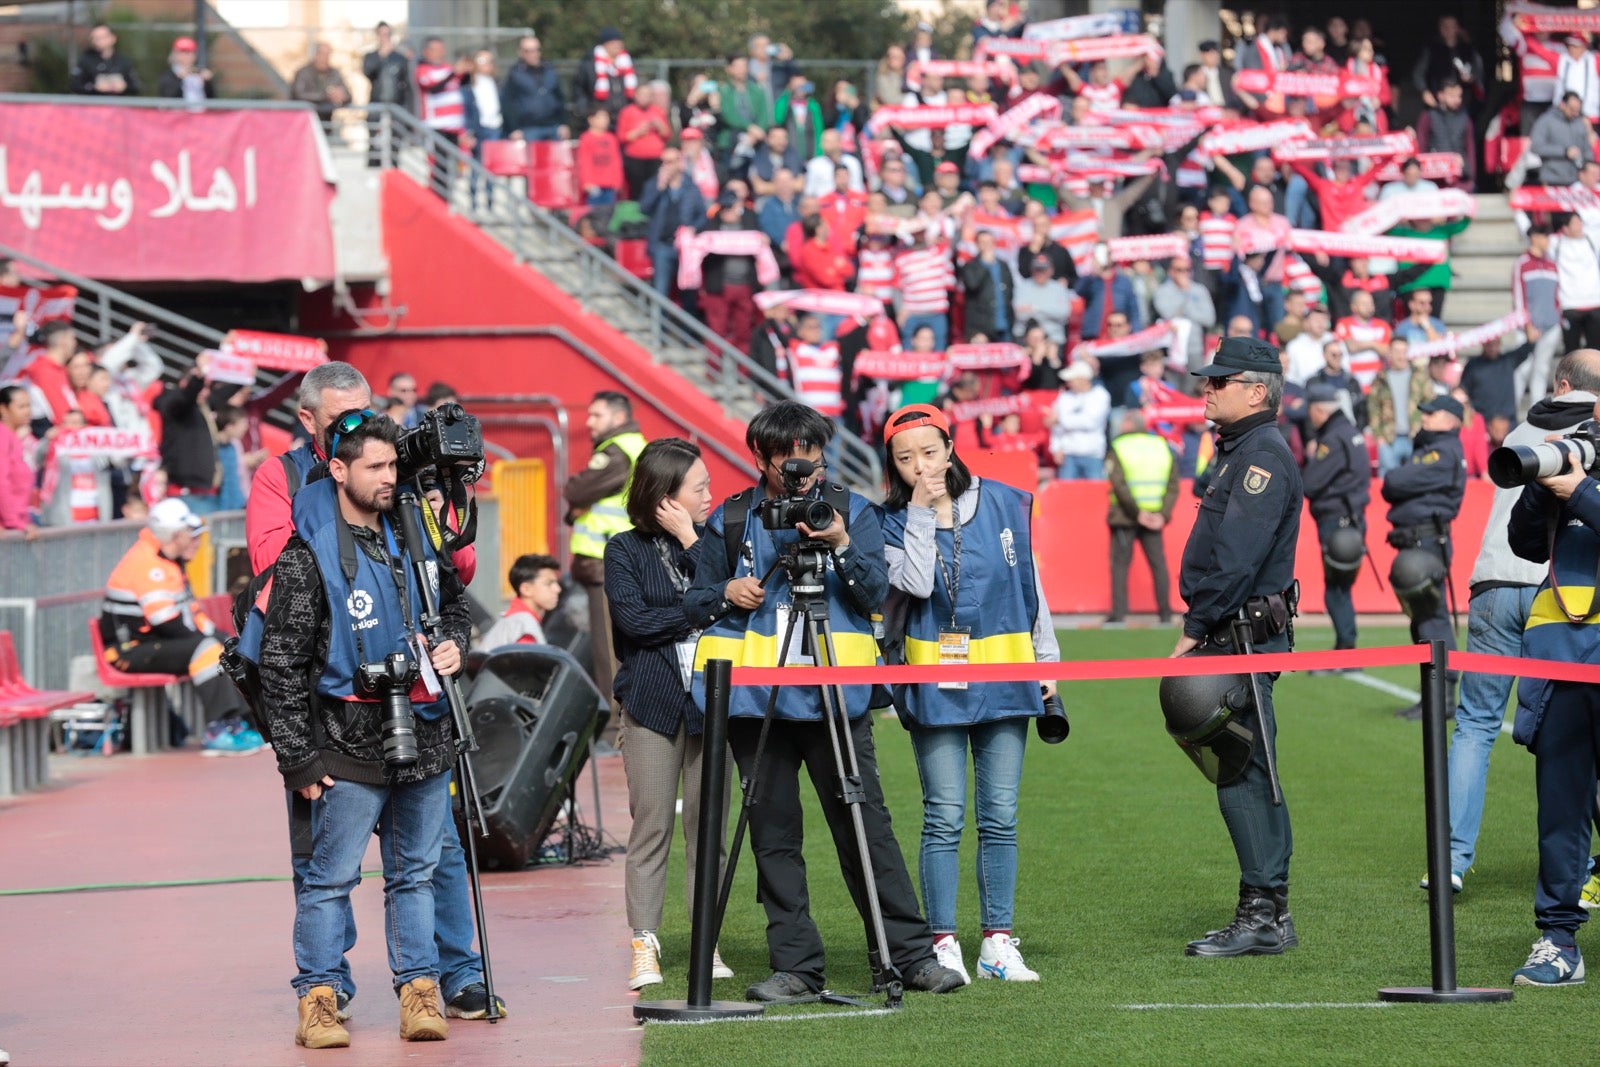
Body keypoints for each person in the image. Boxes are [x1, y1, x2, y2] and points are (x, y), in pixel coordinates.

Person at [684, 401, 964, 1002]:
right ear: (760, 459)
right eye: (789, 460)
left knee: (866, 826)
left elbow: (874, 594)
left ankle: (907, 956)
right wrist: (727, 591)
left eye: (811, 457)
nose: (802, 472)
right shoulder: (733, 518)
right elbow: (696, 599)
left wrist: (838, 542)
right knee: (773, 835)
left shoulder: (851, 510)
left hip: (836, 696)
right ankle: (797, 968)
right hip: (755, 699)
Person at [242, 364, 495, 1023]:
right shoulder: (288, 493)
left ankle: (435, 984)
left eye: (391, 459)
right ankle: (324, 992)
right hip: (341, 727)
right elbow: (280, 626)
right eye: (366, 454)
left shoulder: (409, 516)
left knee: (422, 866)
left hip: (424, 722)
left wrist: (444, 492)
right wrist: (299, 755)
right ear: (321, 441)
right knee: (328, 875)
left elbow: (455, 586)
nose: (388, 473)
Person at [880, 403, 1059, 985]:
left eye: (929, 453)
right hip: (936, 685)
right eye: (905, 459)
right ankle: (942, 942)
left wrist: (1047, 661)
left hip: (1007, 676)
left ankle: (998, 943)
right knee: (944, 816)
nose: (920, 466)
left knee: (1001, 815)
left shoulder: (1007, 503)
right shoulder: (891, 521)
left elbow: (1031, 586)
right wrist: (921, 512)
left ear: (951, 448)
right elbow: (917, 582)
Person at [1446, 350, 1600, 897]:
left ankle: (1451, 858)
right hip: (1556, 591)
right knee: (1577, 729)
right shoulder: (1592, 430)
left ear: (1559, 383)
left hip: (1492, 581)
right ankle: (1583, 864)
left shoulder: (1524, 426)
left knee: (1476, 724)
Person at [1173, 335, 1303, 958]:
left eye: (1220, 381)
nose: (1208, 387)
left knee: (1245, 773)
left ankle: (1263, 915)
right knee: (1245, 770)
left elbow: (1235, 560)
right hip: (1235, 634)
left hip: (1240, 637)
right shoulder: (1240, 449)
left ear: (1256, 391)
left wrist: (1194, 629)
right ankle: (1266, 911)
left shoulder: (1261, 458)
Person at [602, 438, 734, 990]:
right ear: (665, 496)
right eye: (698, 487)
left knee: (710, 831)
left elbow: (733, 606)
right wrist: (703, 609)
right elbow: (635, 625)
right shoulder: (622, 550)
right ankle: (644, 943)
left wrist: (691, 541)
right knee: (651, 825)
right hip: (652, 704)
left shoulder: (715, 541)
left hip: (717, 704)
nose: (709, 495)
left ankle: (709, 940)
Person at [1505, 384, 1600, 986]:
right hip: (1566, 654)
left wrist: (1584, 492)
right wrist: (1548, 488)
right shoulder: (1580, 451)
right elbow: (1521, 542)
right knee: (1562, 808)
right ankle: (1557, 938)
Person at [102, 499, 257, 752]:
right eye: (191, 535)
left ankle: (243, 722)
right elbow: (168, 623)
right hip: (127, 650)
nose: (197, 541)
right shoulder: (148, 565)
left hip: (151, 643)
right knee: (206, 650)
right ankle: (220, 728)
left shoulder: (169, 562)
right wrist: (211, 641)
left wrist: (224, 639)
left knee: (223, 647)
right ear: (175, 536)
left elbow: (190, 615)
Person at [565, 391, 647, 742]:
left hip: (605, 561)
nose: (589, 422)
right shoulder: (635, 446)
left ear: (617, 417)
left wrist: (576, 496)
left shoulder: (616, 451)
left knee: (608, 652)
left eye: (596, 415)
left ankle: (615, 728)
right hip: (617, 560)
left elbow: (576, 490)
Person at [1382, 395, 1467, 720]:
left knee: (1432, 619)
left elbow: (1394, 481)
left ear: (1452, 420)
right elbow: (1395, 486)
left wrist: (1399, 481)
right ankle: (1431, 698)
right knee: (1422, 621)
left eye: (1433, 413)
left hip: (1428, 543)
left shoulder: (1443, 451)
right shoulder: (1427, 449)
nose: (1426, 418)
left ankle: (1442, 700)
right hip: (1417, 540)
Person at [1302, 383, 1370, 658]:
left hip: (1337, 520)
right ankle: (1346, 646)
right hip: (1353, 518)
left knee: (1335, 589)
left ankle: (1346, 649)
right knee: (1342, 586)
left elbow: (1311, 482)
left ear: (1319, 410)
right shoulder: (1351, 433)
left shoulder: (1333, 439)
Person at [1105, 411, 1177, 626]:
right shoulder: (1161, 446)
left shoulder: (1120, 447)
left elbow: (1119, 484)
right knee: (1158, 565)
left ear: (1128, 423)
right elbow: (1173, 483)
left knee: (1120, 564)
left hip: (1125, 517)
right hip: (1155, 516)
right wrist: (1163, 515)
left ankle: (1118, 615)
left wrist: (1137, 513)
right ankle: (1165, 613)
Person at [153, 354, 220, 513]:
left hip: (206, 495)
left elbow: (226, 392)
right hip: (185, 495)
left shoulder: (201, 407)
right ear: (184, 382)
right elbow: (187, 396)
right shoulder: (173, 403)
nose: (205, 391)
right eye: (202, 385)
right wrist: (199, 376)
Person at [640, 146, 706, 297]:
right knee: (660, 290)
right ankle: (659, 321)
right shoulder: (653, 184)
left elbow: (702, 215)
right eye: (663, 162)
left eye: (669, 162)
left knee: (688, 291)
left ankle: (685, 320)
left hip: (686, 247)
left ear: (679, 163)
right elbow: (644, 208)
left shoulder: (691, 187)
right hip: (662, 245)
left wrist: (693, 228)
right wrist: (659, 188)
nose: (666, 166)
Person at [1513, 224, 1562, 407]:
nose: (1548, 241)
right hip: (1528, 328)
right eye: (1545, 236)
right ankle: (1511, 412)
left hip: (1550, 327)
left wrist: (1557, 317)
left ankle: (1538, 414)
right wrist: (1527, 326)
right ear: (1534, 237)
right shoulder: (1522, 263)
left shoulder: (1552, 264)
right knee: (1522, 371)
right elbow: (1519, 297)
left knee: (1541, 371)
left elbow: (1557, 294)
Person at [415, 39, 467, 200]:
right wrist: (453, 73)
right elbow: (433, 88)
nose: (440, 53)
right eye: (436, 49)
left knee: (453, 168)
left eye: (441, 49)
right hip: (436, 127)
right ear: (427, 51)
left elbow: (462, 85)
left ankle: (447, 198)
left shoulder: (447, 68)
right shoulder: (423, 70)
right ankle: (437, 199)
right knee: (438, 165)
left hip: (454, 128)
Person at [477, 554, 561, 649]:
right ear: (526, 589)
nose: (557, 589)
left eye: (556, 582)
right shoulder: (524, 627)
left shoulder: (516, 621)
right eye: (549, 583)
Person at [1049, 362, 1111, 480]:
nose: (1069, 383)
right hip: (1068, 456)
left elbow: (1090, 422)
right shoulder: (1064, 397)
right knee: (1067, 494)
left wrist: (1060, 419)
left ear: (1083, 379)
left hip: (1093, 455)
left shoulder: (1100, 395)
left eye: (1072, 379)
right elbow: (1055, 426)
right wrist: (1056, 448)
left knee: (1094, 494)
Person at [363, 22, 413, 167]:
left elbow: (407, 84)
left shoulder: (399, 58)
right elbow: (368, 72)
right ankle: (374, 169)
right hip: (376, 105)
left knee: (395, 143)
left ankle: (394, 171)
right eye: (382, 34)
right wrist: (382, 56)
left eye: (388, 34)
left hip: (396, 106)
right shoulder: (371, 56)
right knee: (375, 142)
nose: (385, 38)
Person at [502, 36, 568, 142]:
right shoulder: (515, 74)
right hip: (528, 129)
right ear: (520, 52)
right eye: (528, 51)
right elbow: (508, 103)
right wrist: (513, 128)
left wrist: (564, 123)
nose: (533, 54)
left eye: (536, 50)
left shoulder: (550, 70)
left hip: (553, 127)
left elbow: (559, 98)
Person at [1530, 91, 1593, 187]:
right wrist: (1564, 152)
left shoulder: (1579, 123)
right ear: (1562, 105)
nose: (1575, 113)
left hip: (1575, 181)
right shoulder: (1545, 121)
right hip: (1552, 180)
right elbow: (1536, 147)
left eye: (1577, 110)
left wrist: (1589, 165)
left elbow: (1587, 148)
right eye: (1572, 109)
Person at [0, 385, 38, 537]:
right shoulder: (2, 435)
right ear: (3, 409)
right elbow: (1, 482)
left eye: (29, 405)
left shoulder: (14, 438)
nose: (28, 411)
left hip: (19, 525)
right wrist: (14, 523)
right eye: (21, 406)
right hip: (10, 529)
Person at [291, 42, 352, 126]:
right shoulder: (303, 73)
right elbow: (298, 94)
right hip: (303, 123)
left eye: (328, 54)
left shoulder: (334, 73)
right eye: (322, 54)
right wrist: (325, 96)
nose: (325, 58)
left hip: (325, 123)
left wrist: (342, 96)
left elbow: (348, 95)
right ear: (315, 55)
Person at [72, 23, 139, 96]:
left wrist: (124, 87)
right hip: (94, 104)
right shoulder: (85, 61)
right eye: (95, 38)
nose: (99, 41)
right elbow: (75, 85)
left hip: (118, 105)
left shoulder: (123, 61)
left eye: (102, 37)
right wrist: (94, 87)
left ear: (113, 38)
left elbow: (135, 86)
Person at [156, 37, 213, 102]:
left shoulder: (199, 74)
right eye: (182, 52)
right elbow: (167, 98)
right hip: (178, 111)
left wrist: (208, 82)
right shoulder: (168, 76)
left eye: (189, 52)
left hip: (200, 111)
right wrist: (179, 79)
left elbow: (212, 100)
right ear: (174, 54)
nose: (186, 56)